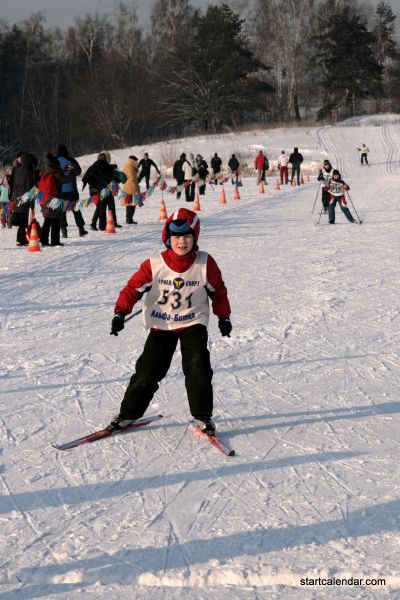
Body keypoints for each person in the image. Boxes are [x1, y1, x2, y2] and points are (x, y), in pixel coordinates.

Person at [108, 207, 232, 435]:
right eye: (176, 237)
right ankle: (127, 415)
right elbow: (132, 289)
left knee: (198, 365)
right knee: (147, 371)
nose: (181, 242)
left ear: (195, 237)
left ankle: (203, 417)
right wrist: (120, 313)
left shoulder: (205, 263)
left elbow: (219, 291)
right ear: (168, 238)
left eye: (187, 237)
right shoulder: (155, 263)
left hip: (192, 321)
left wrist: (223, 317)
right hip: (162, 324)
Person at [83, 152, 122, 231]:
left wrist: (94, 185)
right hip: (105, 190)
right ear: (105, 159)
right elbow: (112, 177)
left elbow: (86, 177)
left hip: (94, 190)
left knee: (101, 207)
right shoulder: (107, 167)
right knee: (106, 207)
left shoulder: (92, 167)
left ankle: (100, 225)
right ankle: (99, 225)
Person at [39, 154, 71, 246]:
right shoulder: (57, 173)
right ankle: (55, 241)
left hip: (44, 199)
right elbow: (67, 178)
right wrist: (70, 168)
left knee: (48, 220)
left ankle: (43, 240)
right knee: (56, 220)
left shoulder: (45, 172)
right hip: (54, 199)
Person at [56, 145, 87, 238]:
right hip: (71, 189)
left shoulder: (55, 161)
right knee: (76, 209)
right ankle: (81, 229)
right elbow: (78, 171)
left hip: (60, 190)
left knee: (61, 211)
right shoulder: (70, 160)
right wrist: (69, 169)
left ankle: (64, 231)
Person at [10, 153, 37, 246]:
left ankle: (20, 239)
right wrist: (31, 203)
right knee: (24, 220)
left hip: (17, 196)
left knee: (21, 218)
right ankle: (21, 240)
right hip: (25, 196)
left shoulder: (17, 170)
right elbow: (30, 188)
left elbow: (13, 184)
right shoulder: (28, 172)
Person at [122, 155, 140, 224]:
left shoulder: (129, 166)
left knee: (131, 204)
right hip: (131, 188)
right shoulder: (130, 168)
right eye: (136, 161)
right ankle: (129, 219)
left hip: (129, 188)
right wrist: (136, 188)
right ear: (133, 161)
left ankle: (130, 219)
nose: (137, 162)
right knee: (130, 204)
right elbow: (132, 179)